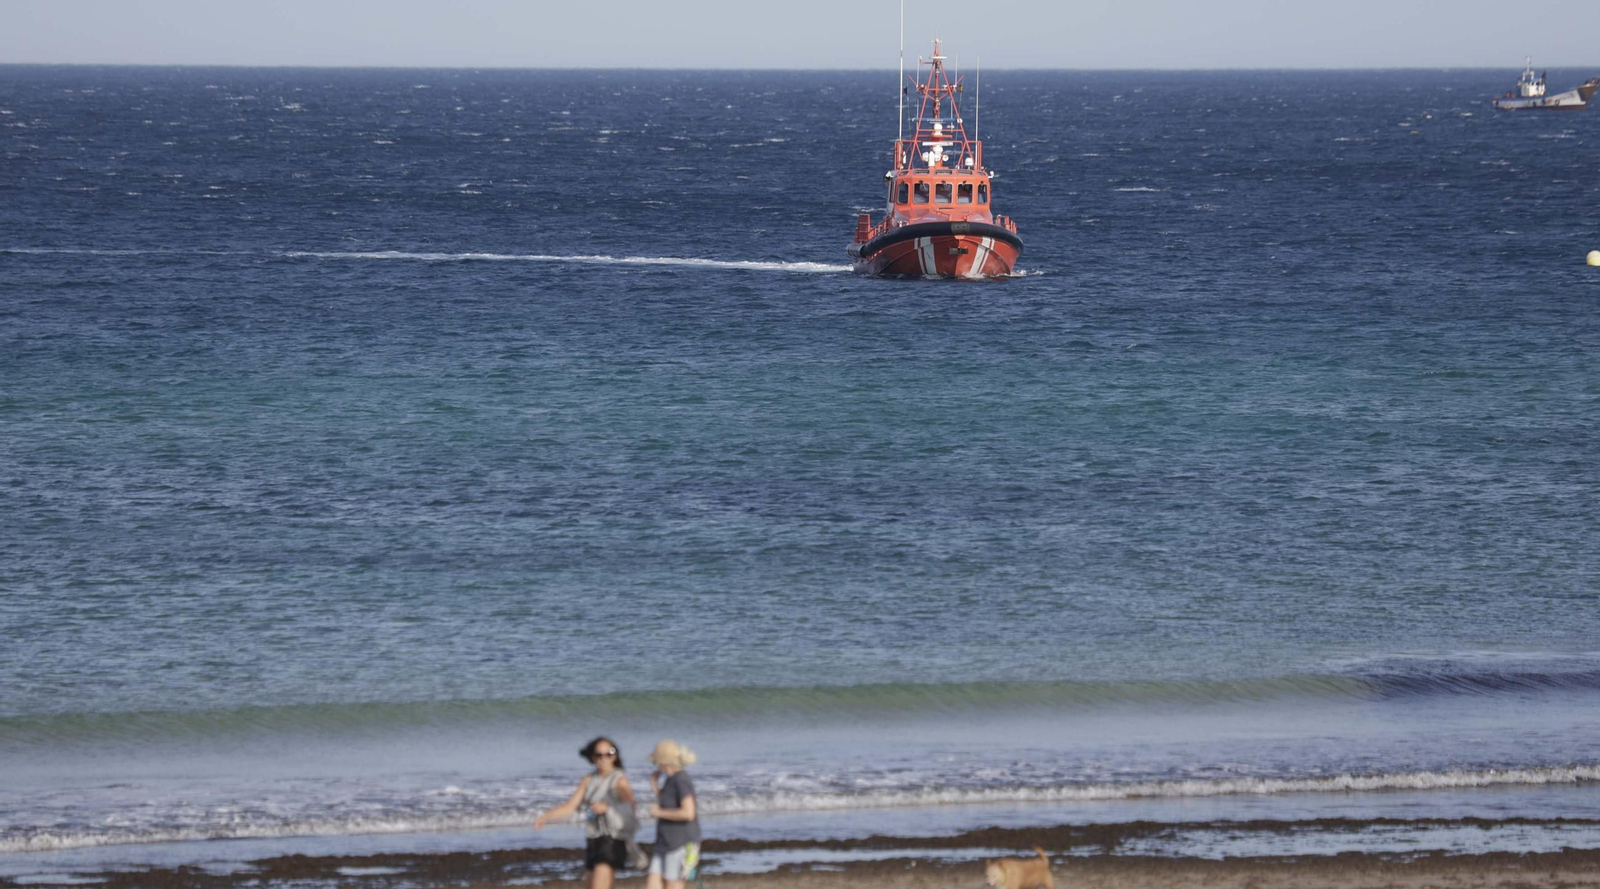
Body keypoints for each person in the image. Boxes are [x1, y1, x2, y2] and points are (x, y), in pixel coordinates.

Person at [533, 737, 641, 889]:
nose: (604, 758)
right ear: (592, 757)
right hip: (594, 840)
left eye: (609, 753)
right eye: (599, 755)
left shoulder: (619, 780)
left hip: (613, 840)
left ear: (615, 756)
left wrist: (608, 808)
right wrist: (546, 816)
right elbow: (570, 806)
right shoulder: (589, 779)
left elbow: (631, 807)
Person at [645, 739, 701, 889]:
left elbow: (688, 813)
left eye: (655, 762)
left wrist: (658, 812)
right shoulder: (671, 779)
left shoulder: (681, 780)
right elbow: (668, 804)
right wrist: (655, 786)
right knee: (653, 883)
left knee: (672, 884)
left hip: (680, 843)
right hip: (665, 842)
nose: (656, 766)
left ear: (664, 763)